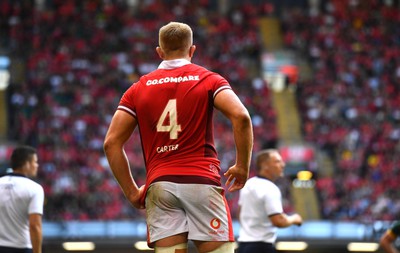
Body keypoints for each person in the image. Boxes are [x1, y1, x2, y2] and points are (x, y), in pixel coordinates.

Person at [103, 21, 253, 253]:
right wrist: (242, 166)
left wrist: (132, 192)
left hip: (160, 184)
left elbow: (111, 143)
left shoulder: (137, 89)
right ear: (192, 50)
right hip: (201, 180)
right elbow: (241, 116)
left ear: (159, 52)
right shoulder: (209, 80)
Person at [237, 149, 302, 253]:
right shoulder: (270, 188)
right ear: (264, 165)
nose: (283, 165)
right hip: (262, 247)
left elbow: (239, 213)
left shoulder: (248, 184)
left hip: (244, 246)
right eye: (277, 161)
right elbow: (278, 221)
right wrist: (294, 219)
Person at [0, 146, 44, 253]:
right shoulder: (34, 188)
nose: (37, 165)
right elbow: (34, 226)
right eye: (35, 162)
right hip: (21, 247)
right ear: (27, 164)